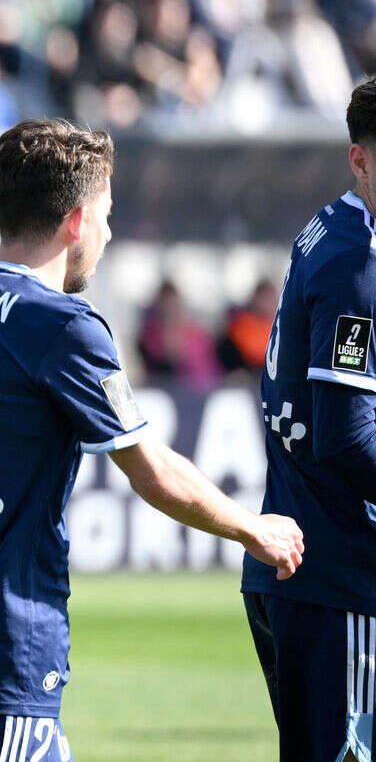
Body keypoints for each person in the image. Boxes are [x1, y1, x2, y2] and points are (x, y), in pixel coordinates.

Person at [0, 118, 304, 759]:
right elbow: (151, 471)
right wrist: (253, 528)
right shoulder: (60, 325)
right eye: (108, 215)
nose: (109, 234)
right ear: (78, 219)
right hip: (6, 651)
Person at [242, 76, 376, 762]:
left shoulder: (335, 224)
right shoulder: (358, 263)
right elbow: (348, 437)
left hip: (303, 566)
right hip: (337, 574)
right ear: (359, 159)